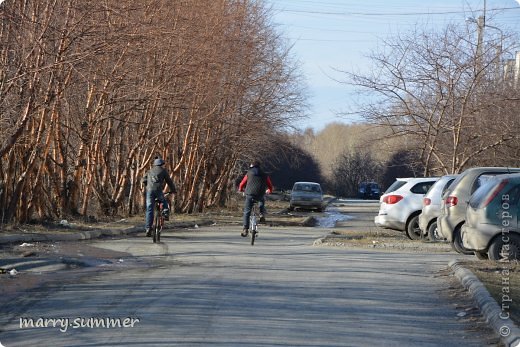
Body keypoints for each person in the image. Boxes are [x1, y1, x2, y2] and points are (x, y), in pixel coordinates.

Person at [238, 160, 273, 237]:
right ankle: (261, 213)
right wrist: (269, 190)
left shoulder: (249, 173)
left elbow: (242, 184)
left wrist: (241, 189)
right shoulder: (264, 174)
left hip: (250, 194)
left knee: (247, 212)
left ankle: (245, 229)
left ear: (252, 166)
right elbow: (270, 185)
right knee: (261, 200)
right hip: (260, 194)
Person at [142, 157, 176, 237]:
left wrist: (147, 186)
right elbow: (169, 181)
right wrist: (173, 190)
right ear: (161, 164)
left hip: (149, 191)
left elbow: (144, 180)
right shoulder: (163, 171)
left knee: (149, 209)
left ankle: (148, 228)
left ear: (154, 164)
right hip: (158, 191)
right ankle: (165, 212)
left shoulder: (149, 171)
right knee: (163, 201)